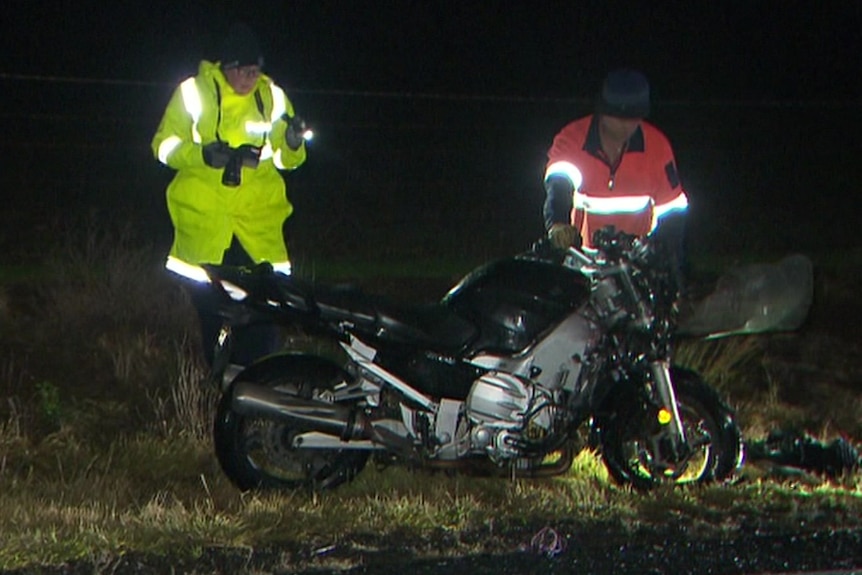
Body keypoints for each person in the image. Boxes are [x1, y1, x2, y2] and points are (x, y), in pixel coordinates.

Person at [151, 22, 308, 366]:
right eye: (245, 71)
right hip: (208, 229)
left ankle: (261, 387)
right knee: (215, 317)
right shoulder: (193, 93)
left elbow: (287, 159)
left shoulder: (272, 96)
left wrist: (294, 142)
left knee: (265, 315)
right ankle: (223, 389)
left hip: (258, 230)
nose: (251, 78)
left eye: (257, 70)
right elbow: (163, 146)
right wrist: (203, 155)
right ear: (228, 67)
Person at [542, 69, 689, 257]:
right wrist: (558, 224)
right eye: (618, 117)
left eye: (633, 118)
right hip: (582, 259)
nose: (625, 126)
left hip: (637, 263)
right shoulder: (572, 138)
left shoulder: (657, 146)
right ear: (602, 111)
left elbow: (673, 212)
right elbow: (559, 185)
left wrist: (658, 254)